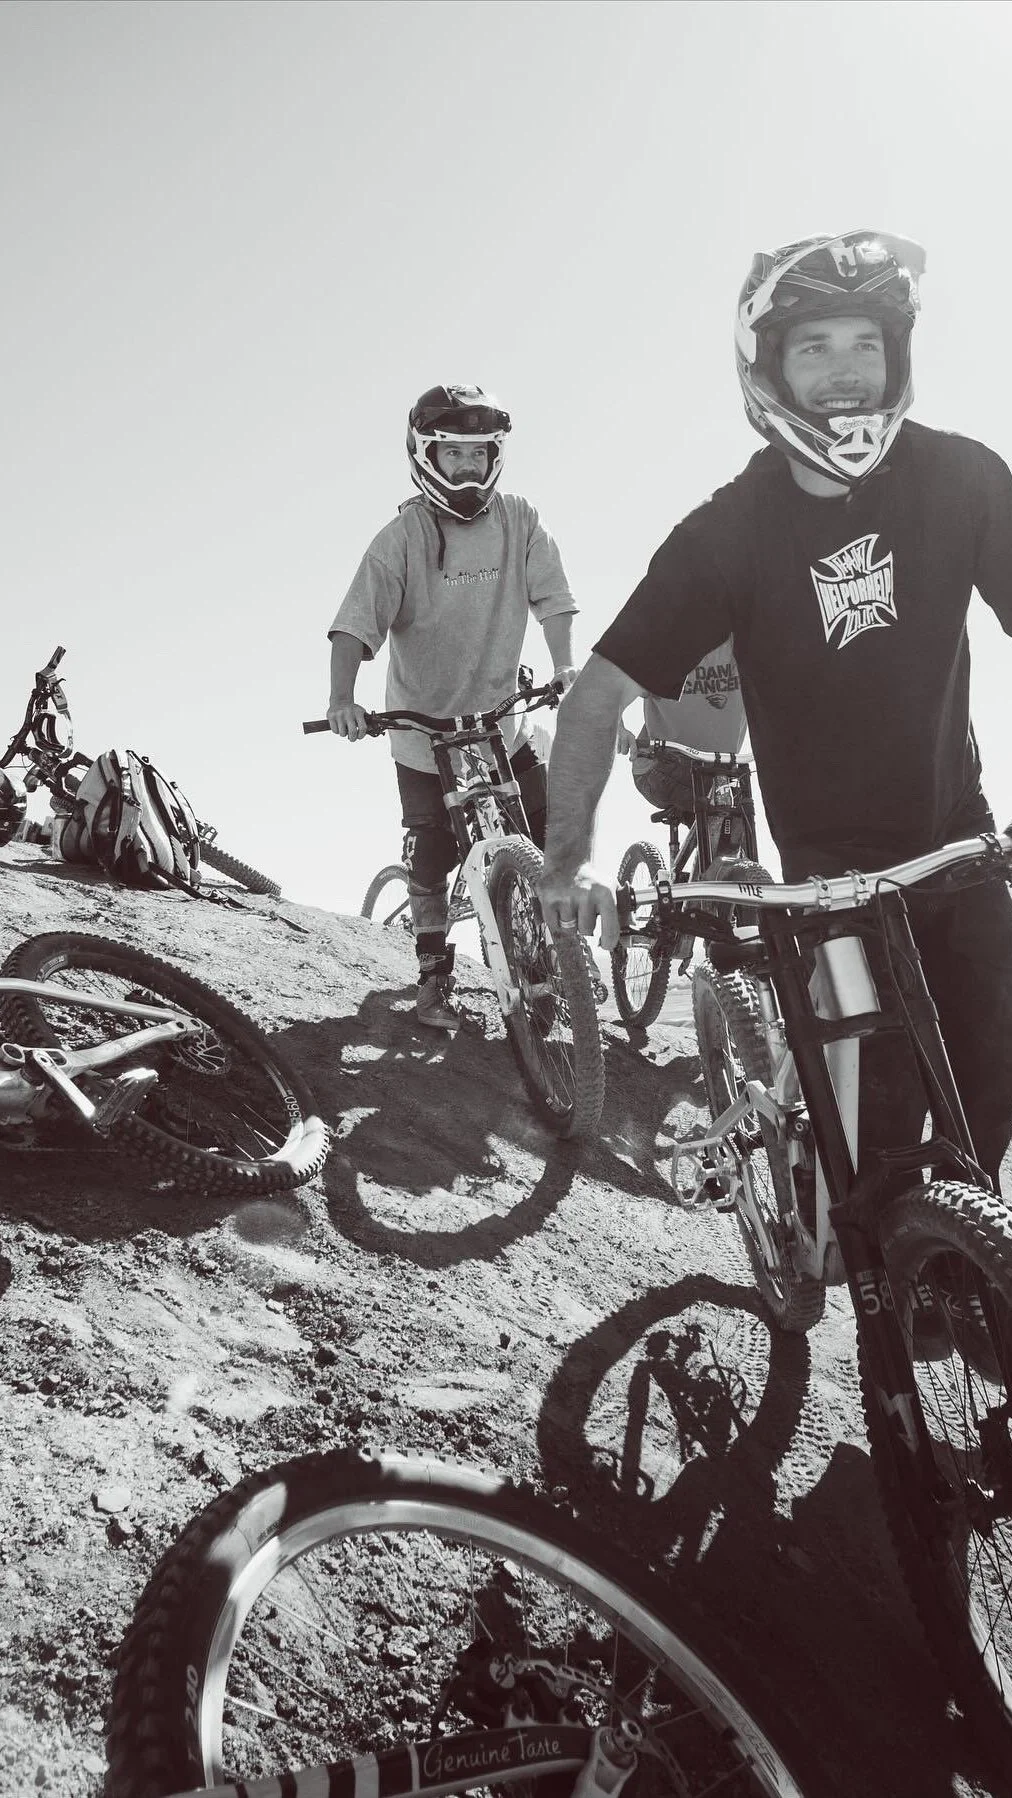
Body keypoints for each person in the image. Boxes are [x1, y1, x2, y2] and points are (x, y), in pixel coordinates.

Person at [541, 229, 1012, 1192]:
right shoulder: (727, 534)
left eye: (866, 343)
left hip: (959, 841)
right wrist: (565, 864)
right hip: (829, 879)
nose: (846, 371)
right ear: (767, 368)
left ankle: (958, 1257)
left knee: (994, 1090)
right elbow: (594, 702)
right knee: (879, 1139)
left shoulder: (966, 480)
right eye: (814, 346)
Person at [328, 382, 578, 1030]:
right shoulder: (401, 537)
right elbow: (355, 625)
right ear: (426, 455)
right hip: (423, 733)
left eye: (478, 453)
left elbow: (553, 600)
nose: (468, 466)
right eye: (454, 454)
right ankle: (435, 977)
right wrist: (342, 700)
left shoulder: (520, 519)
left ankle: (562, 964)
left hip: (502, 722)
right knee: (431, 857)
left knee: (548, 830)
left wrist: (564, 665)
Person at [617, 638, 748, 834]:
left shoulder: (745, 644)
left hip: (720, 770)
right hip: (661, 766)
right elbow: (613, 692)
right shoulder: (666, 644)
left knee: (737, 828)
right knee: (723, 812)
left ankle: (723, 851)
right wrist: (620, 730)